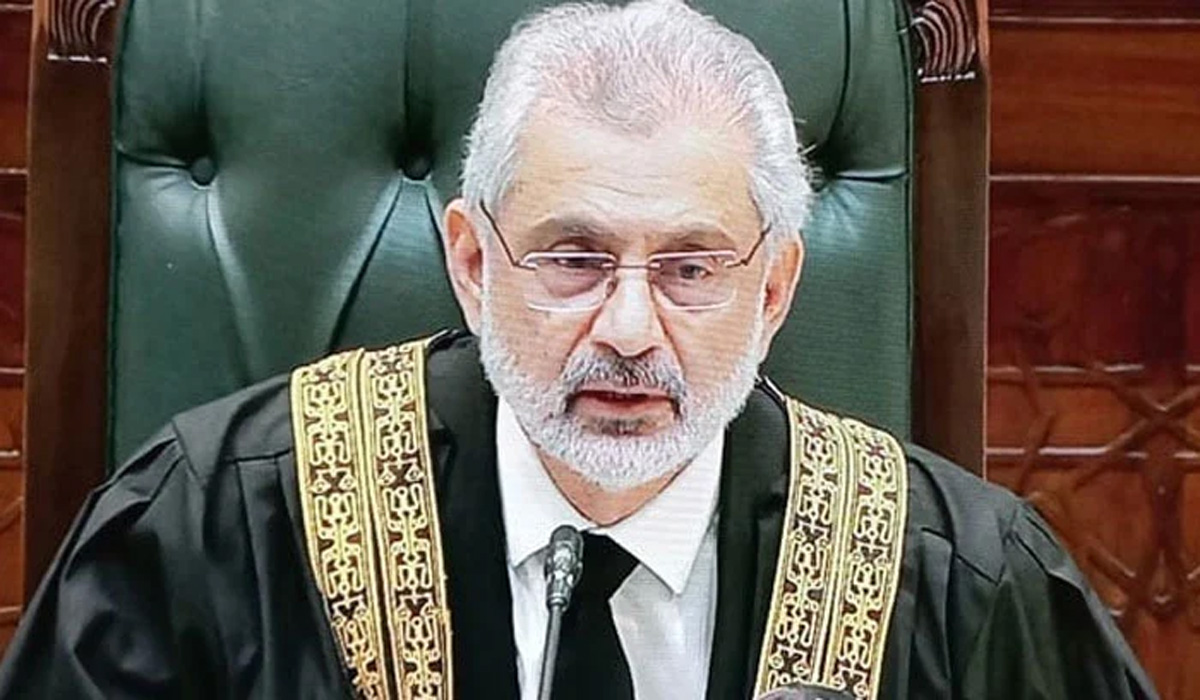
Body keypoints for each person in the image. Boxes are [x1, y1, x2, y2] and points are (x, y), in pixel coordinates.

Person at [0, 1, 1159, 699]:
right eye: (573, 257)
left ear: (774, 290)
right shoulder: (213, 532)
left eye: (691, 268)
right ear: (471, 261)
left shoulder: (962, 590)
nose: (629, 329)